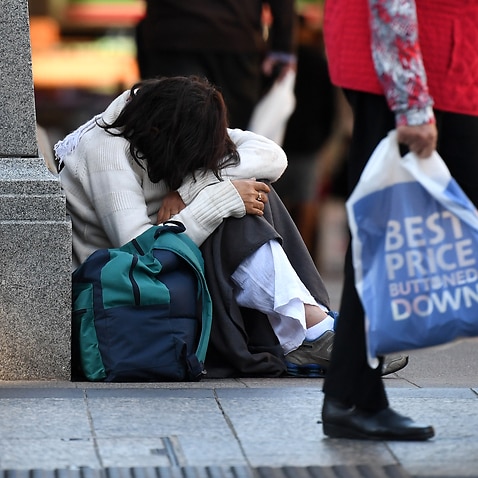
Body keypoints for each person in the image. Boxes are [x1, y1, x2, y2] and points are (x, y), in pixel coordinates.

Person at [55, 75, 338, 378]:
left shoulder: (174, 120)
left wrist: (190, 189)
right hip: (127, 298)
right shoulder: (106, 152)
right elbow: (140, 253)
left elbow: (272, 156)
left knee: (254, 192)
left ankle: (312, 326)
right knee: (236, 208)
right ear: (158, 133)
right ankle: (315, 328)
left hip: (169, 275)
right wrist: (218, 200)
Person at [320, 0, 478, 441]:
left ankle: (354, 396)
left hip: (443, 67)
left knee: (379, 234)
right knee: (378, 233)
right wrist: (410, 101)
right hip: (412, 72)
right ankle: (352, 397)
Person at [134, 1, 296, 129]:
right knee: (232, 134)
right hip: (235, 34)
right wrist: (282, 47)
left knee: (173, 130)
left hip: (173, 32)